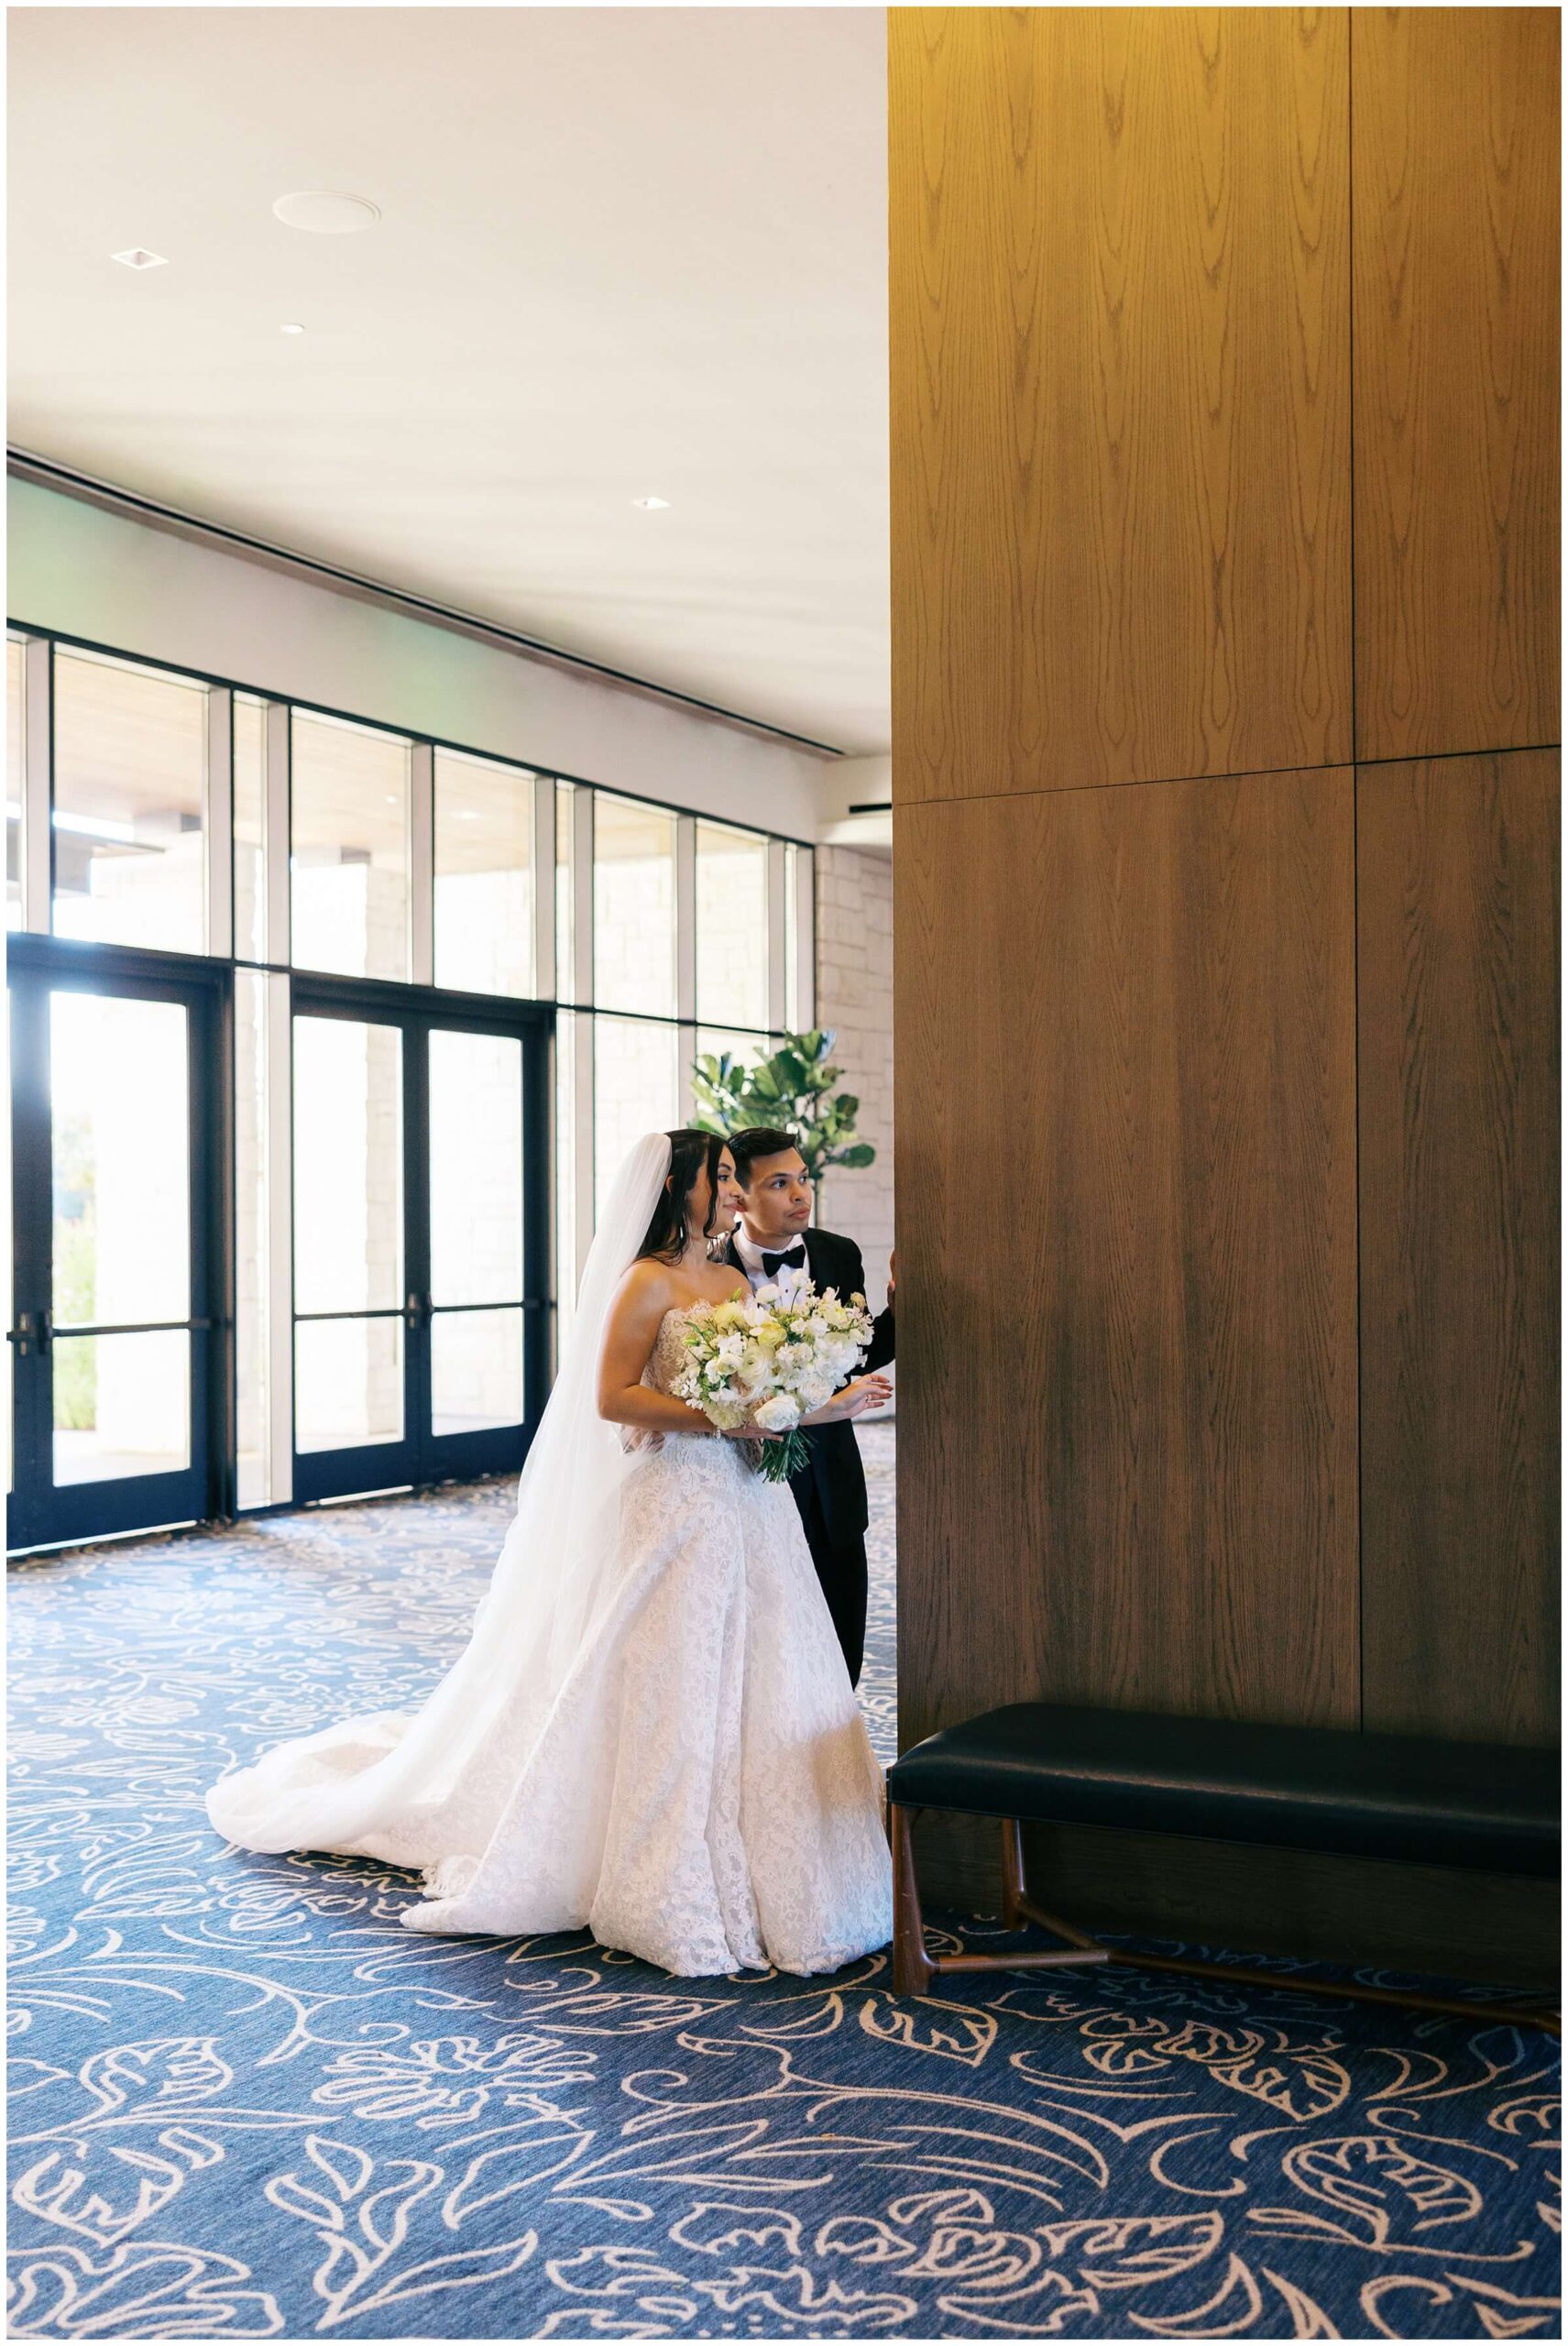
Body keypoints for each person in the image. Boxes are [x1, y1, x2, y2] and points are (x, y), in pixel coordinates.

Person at [205, 1130, 894, 1979]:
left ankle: (786, 1860)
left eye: (730, 1177)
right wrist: (721, 1417)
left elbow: (764, 1398)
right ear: (677, 1188)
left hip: (750, 1497)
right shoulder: (644, 1281)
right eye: (719, 1177)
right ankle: (654, 1866)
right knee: (668, 1673)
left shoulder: (726, 1277)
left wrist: (825, 1404)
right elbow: (615, 1397)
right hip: (677, 1494)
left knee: (772, 1665)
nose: (730, 1190)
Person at [723, 1127, 894, 1685]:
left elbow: (860, 1350)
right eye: (779, 1183)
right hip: (741, 1482)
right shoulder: (707, 1269)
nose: (801, 1194)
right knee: (759, 1649)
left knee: (840, 1637)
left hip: (830, 1481)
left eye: (803, 1178)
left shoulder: (837, 1254)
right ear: (739, 1196)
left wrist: (901, 1309)